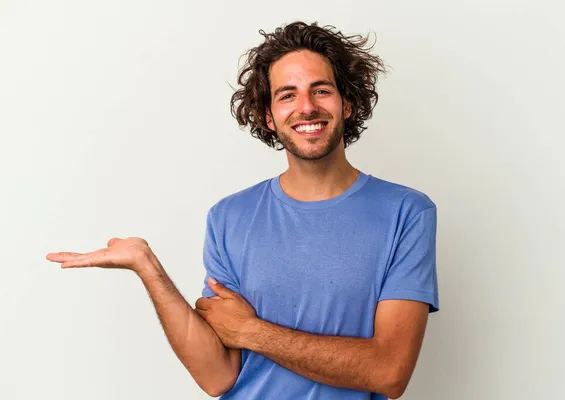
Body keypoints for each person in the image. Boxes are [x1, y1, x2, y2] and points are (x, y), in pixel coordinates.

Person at [46, 21, 439, 399]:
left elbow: (389, 372)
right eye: (287, 94)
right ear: (269, 116)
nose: (306, 107)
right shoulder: (229, 216)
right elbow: (217, 377)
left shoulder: (406, 212)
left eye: (321, 90)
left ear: (347, 104)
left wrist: (251, 331)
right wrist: (148, 267)